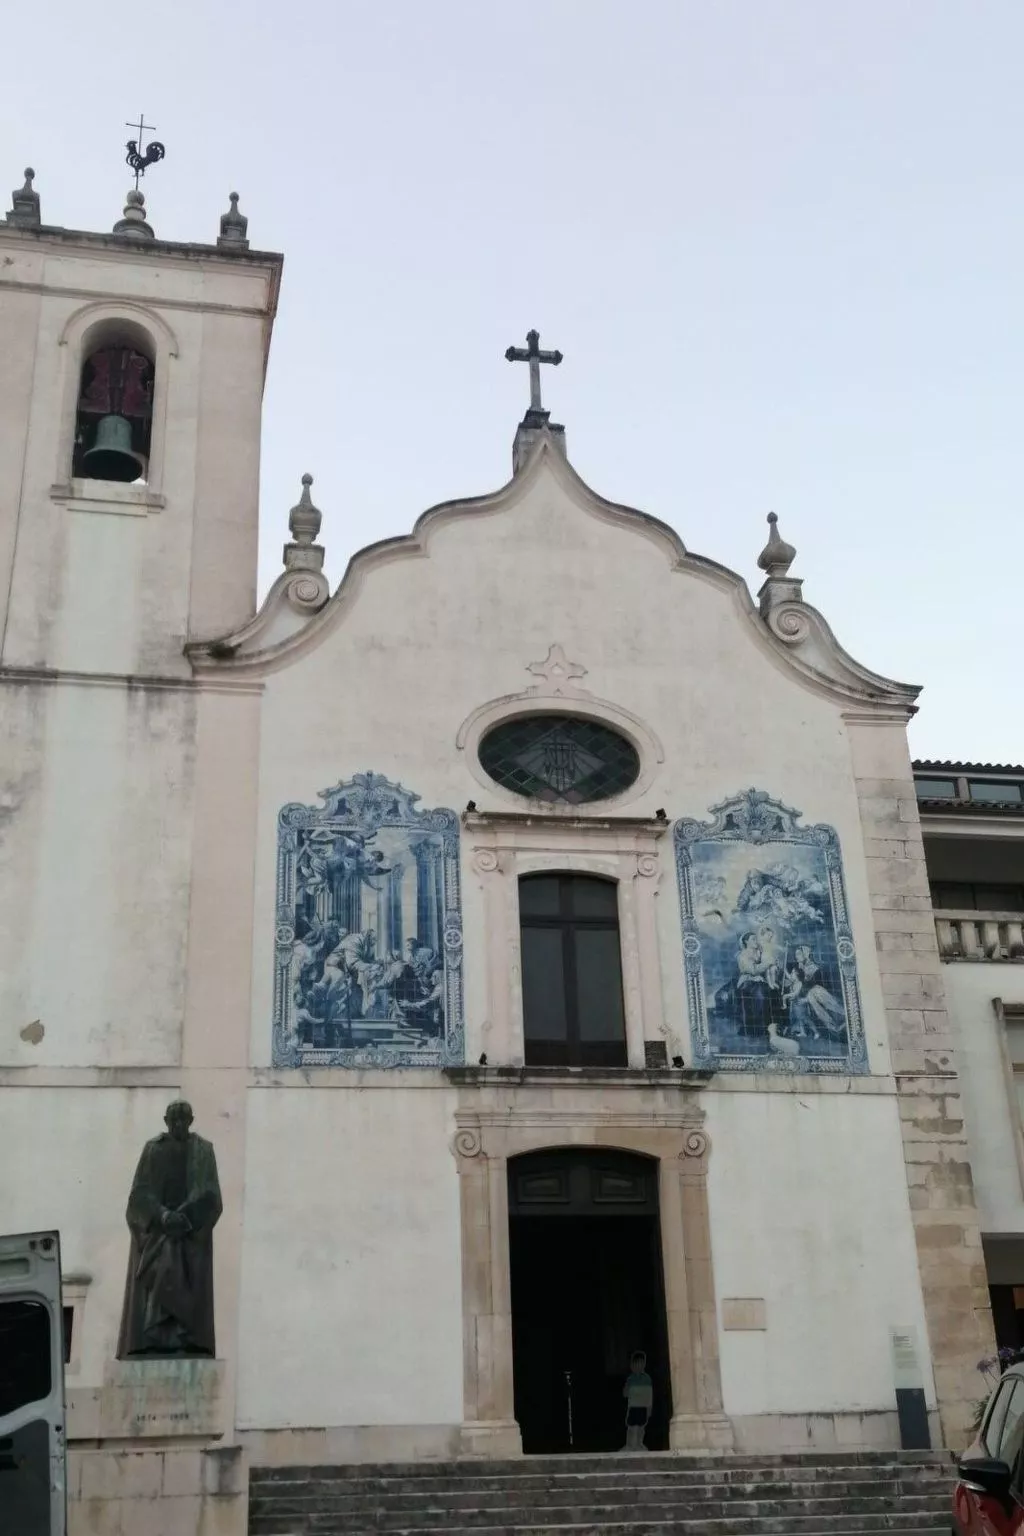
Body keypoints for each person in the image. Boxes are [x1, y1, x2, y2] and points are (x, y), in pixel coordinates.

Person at [117, 1101, 222, 1357]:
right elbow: (139, 1193)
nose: (178, 1124)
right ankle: (154, 1339)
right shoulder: (153, 1149)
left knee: (184, 1279)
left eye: (183, 1119)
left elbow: (210, 1193)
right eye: (173, 1120)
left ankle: (185, 1339)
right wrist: (163, 1216)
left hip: (190, 1232)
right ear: (166, 1121)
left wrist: (184, 1216)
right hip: (157, 1231)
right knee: (159, 1276)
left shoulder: (203, 1150)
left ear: (191, 1120)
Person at [622, 1350, 653, 1451]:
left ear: (644, 1364)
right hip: (633, 1407)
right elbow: (625, 1394)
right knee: (632, 1426)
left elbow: (649, 1394)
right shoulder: (630, 1379)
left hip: (643, 1407)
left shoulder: (647, 1379)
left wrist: (649, 1408)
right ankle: (630, 1445)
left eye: (641, 1363)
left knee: (641, 1426)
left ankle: (639, 1444)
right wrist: (627, 1388)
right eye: (636, 1364)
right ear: (632, 1365)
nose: (638, 1366)